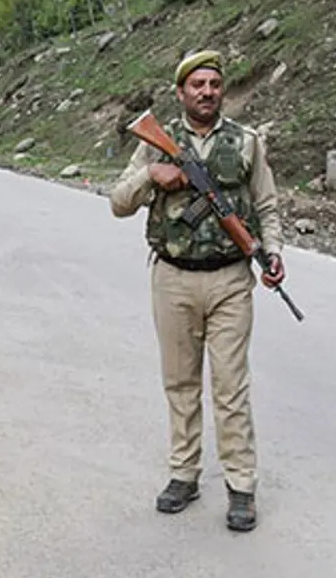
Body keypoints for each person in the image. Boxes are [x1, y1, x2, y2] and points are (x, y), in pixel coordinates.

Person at [107, 49, 286, 533]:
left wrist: (271, 253)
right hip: (173, 278)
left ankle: (241, 486)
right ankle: (184, 474)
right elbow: (118, 203)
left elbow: (266, 206)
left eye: (214, 84)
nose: (206, 92)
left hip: (230, 279)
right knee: (180, 383)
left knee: (231, 386)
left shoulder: (246, 142)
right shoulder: (155, 143)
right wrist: (151, 176)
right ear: (181, 91)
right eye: (197, 85)